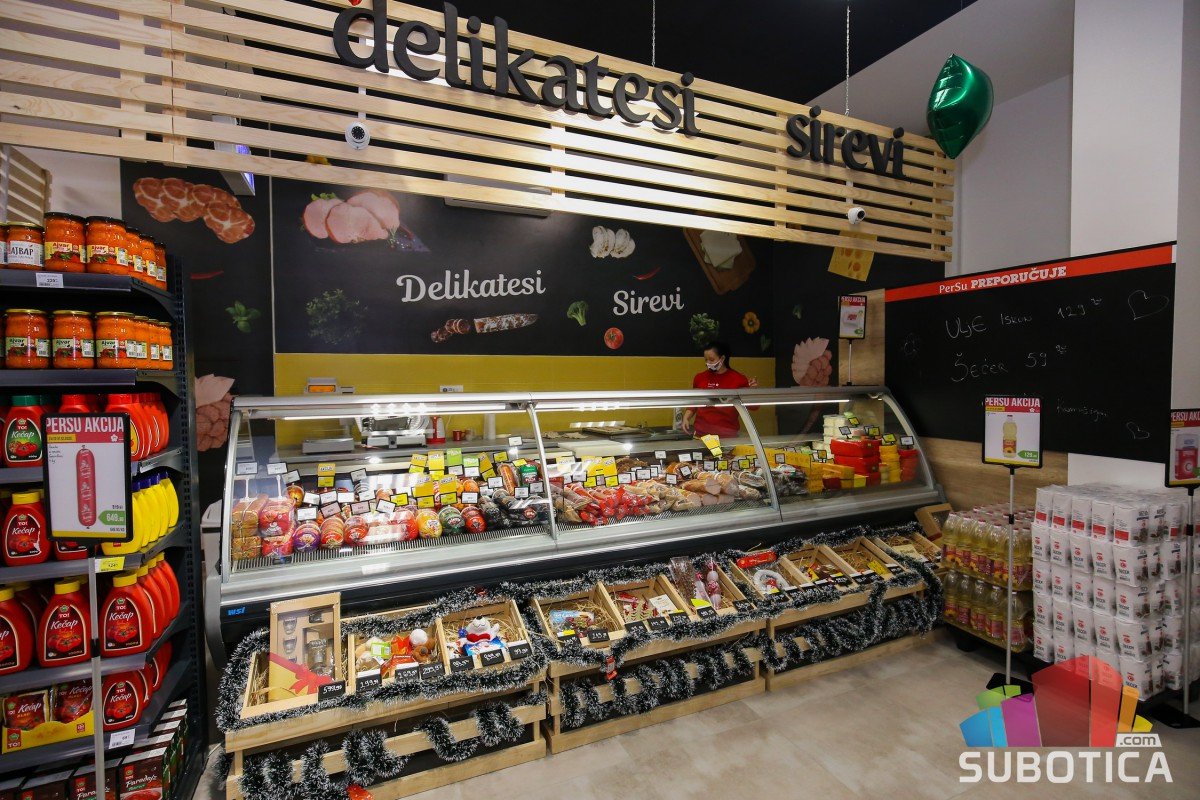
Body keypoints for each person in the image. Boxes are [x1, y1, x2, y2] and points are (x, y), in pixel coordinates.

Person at [681, 341, 758, 437]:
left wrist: (752, 391)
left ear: (722, 358)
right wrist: (686, 417)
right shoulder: (700, 378)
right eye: (706, 360)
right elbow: (694, 403)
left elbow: (754, 407)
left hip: (727, 436)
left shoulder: (738, 379)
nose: (708, 363)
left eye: (711, 360)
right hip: (701, 435)